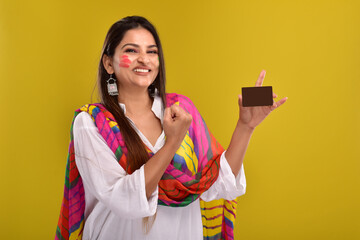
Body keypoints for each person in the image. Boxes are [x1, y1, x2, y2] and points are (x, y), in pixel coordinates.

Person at [55, 16, 287, 240]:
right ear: (109, 63)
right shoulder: (91, 123)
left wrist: (245, 126)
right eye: (131, 50)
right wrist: (173, 142)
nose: (144, 59)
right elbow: (123, 199)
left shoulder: (182, 110)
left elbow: (218, 184)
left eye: (152, 51)